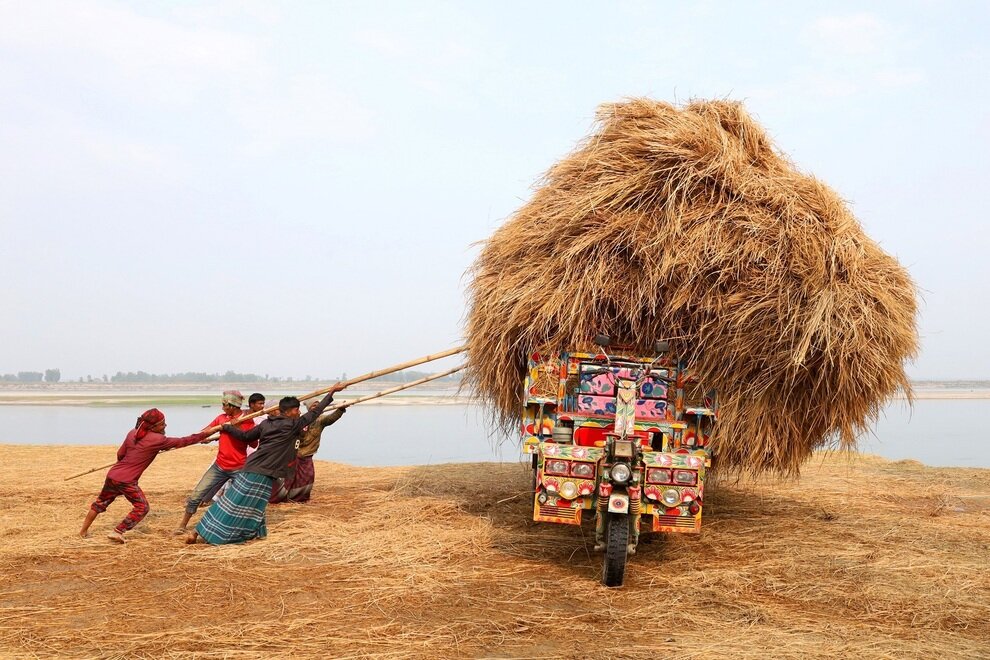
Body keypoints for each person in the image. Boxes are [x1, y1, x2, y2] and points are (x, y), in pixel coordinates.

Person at [186, 384, 346, 545]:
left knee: (246, 502)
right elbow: (315, 413)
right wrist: (331, 392)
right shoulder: (292, 425)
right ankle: (203, 531)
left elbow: (245, 436)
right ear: (290, 412)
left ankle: (249, 532)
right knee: (235, 503)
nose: (299, 413)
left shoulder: (266, 424)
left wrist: (229, 428)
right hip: (262, 472)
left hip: (252, 467)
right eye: (297, 410)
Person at [79, 408, 206, 543]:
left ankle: (83, 532)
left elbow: (120, 454)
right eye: (162, 424)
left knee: (100, 503)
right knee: (142, 507)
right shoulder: (158, 439)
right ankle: (118, 531)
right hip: (127, 481)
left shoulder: (132, 433)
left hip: (113, 475)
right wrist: (207, 433)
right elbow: (184, 441)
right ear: (153, 426)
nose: (165, 426)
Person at [173, 390, 257, 534]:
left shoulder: (247, 421)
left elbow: (254, 443)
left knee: (242, 498)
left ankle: (245, 526)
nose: (222, 407)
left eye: (224, 405)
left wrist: (236, 427)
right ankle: (182, 525)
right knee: (196, 495)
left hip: (239, 467)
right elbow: (207, 430)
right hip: (219, 466)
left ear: (232, 406)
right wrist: (200, 437)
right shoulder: (221, 418)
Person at [269, 400, 347, 503]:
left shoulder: (320, 420)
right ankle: (278, 498)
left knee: (307, 478)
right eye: (314, 405)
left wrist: (340, 409)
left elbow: (331, 418)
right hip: (294, 454)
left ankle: (298, 498)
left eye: (318, 405)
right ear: (309, 408)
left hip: (307, 455)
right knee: (287, 479)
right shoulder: (301, 419)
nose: (317, 407)